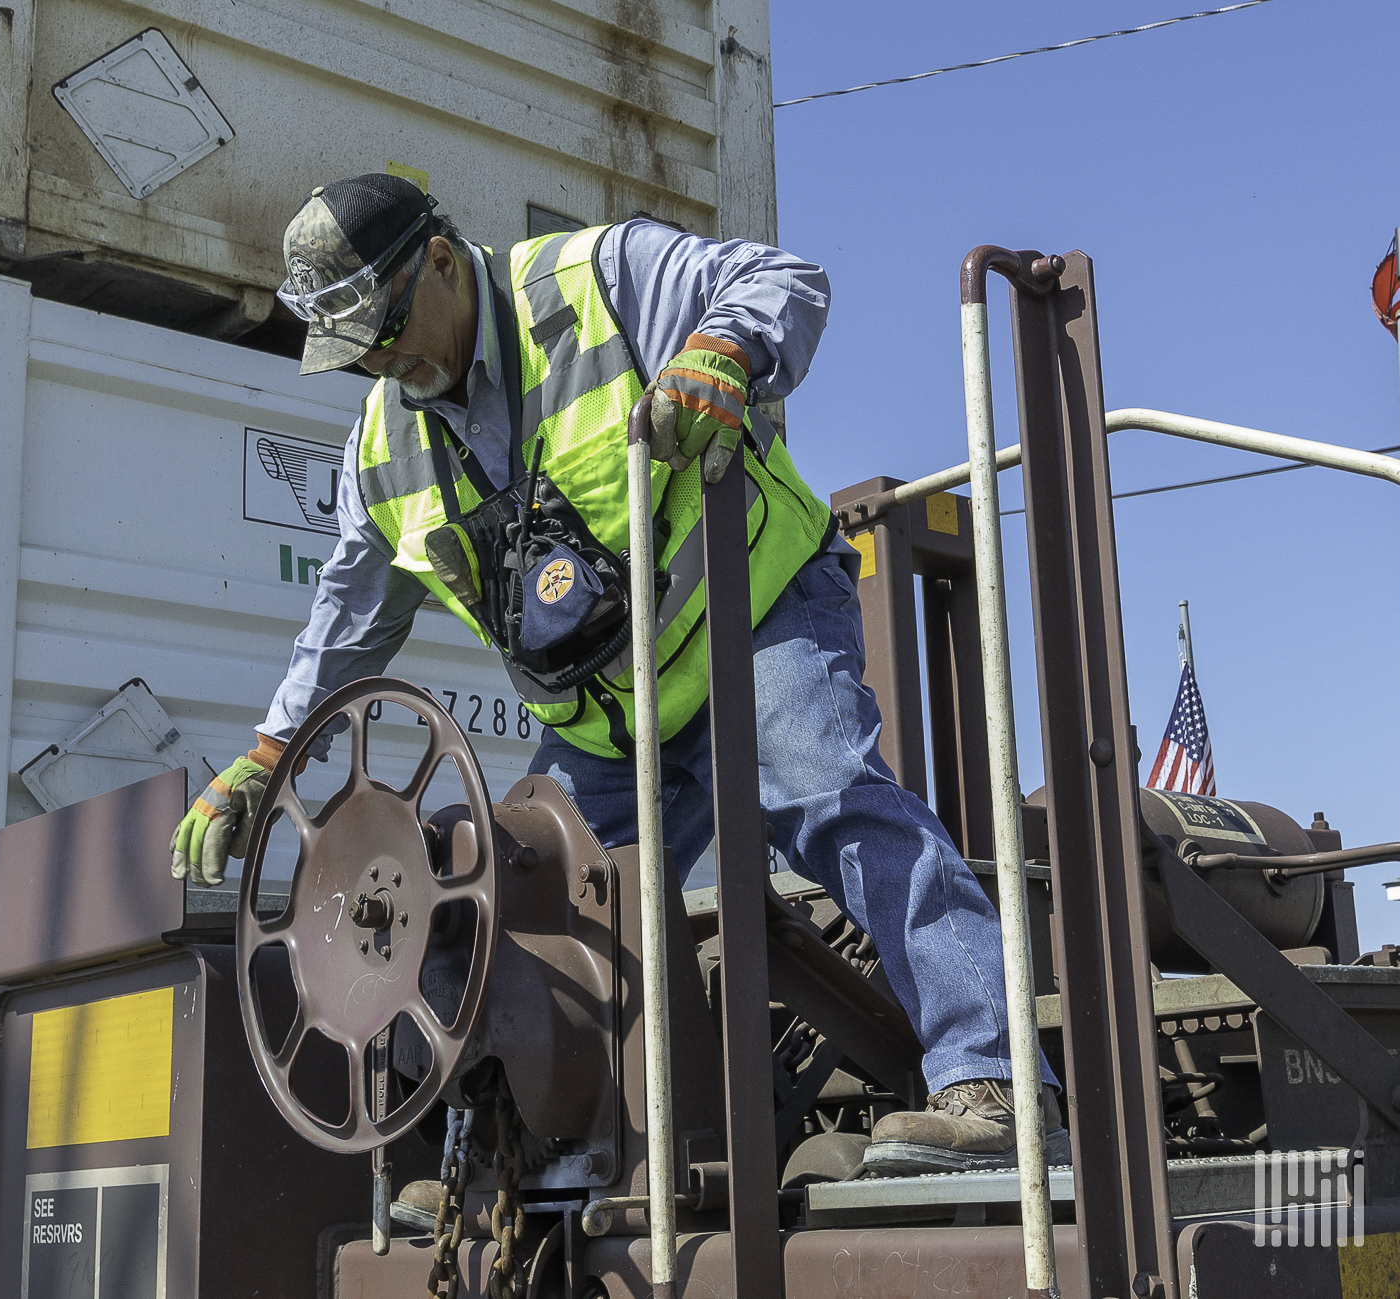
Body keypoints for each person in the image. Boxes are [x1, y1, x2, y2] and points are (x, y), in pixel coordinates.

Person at [172, 173, 1066, 1177]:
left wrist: (720, 350)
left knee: (826, 793)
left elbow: (782, 279)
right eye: (356, 354)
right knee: (515, 888)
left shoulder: (594, 280)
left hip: (748, 619)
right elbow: (346, 622)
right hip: (607, 719)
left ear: (434, 259)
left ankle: (995, 1086)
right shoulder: (381, 452)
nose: (381, 363)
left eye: (383, 330)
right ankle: (535, 1158)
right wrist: (263, 756)